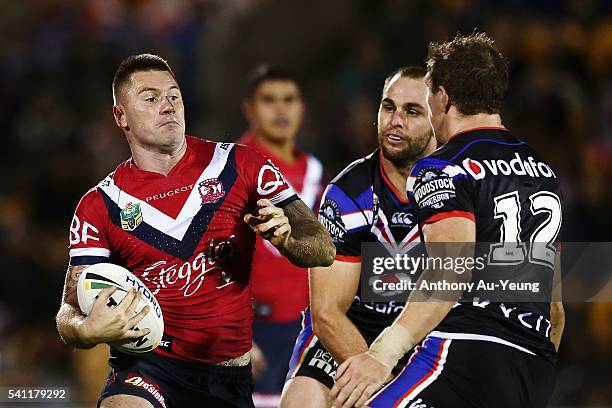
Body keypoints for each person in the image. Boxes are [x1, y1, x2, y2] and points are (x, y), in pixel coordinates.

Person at [55, 53, 335, 408]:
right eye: (151, 98)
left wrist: (289, 239)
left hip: (231, 376)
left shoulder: (242, 165)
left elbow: (322, 248)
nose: (167, 105)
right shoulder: (99, 205)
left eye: (174, 95)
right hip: (149, 368)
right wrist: (86, 330)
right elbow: (68, 311)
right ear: (120, 116)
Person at [331, 33, 565, 408]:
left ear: (443, 97)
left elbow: (450, 271)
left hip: (465, 355)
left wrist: (382, 355)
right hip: (534, 366)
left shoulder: (443, 166)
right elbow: (553, 304)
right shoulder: (543, 172)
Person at [280, 66, 436, 408]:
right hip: (351, 329)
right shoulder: (349, 194)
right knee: (302, 401)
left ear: (438, 118)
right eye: (388, 107)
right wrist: (380, 373)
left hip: (428, 338)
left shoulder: (462, 189)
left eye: (412, 111)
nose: (395, 120)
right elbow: (326, 313)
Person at [238, 64, 324, 406]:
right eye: (269, 100)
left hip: (306, 328)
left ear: (301, 108)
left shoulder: (317, 174)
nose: (280, 109)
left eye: (289, 99)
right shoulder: (230, 171)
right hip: (251, 332)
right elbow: (205, 259)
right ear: (249, 109)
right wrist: (234, 334)